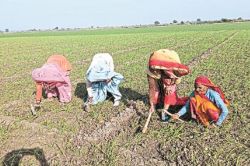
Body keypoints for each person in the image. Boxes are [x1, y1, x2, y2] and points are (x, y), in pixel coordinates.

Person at [147, 49, 190, 121]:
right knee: (156, 90)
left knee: (169, 92)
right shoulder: (153, 70)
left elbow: (176, 81)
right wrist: (152, 104)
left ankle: (165, 111)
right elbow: (153, 88)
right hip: (156, 66)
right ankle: (157, 103)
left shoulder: (176, 66)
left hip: (169, 65)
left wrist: (170, 86)